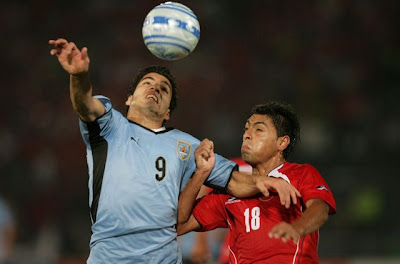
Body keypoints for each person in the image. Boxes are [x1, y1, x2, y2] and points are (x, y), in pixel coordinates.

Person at [48, 38, 301, 264]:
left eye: (164, 89)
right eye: (148, 83)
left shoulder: (187, 146)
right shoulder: (110, 127)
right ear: (129, 99)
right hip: (109, 256)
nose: (155, 88)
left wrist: (269, 182)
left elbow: (234, 181)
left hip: (163, 258)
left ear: (168, 112)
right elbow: (85, 104)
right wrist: (79, 76)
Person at [177, 102, 337, 264]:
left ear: (282, 143)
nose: (247, 135)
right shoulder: (231, 190)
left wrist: (296, 228)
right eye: (246, 129)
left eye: (258, 130)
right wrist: (201, 174)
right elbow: (180, 225)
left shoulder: (300, 174)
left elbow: (320, 210)